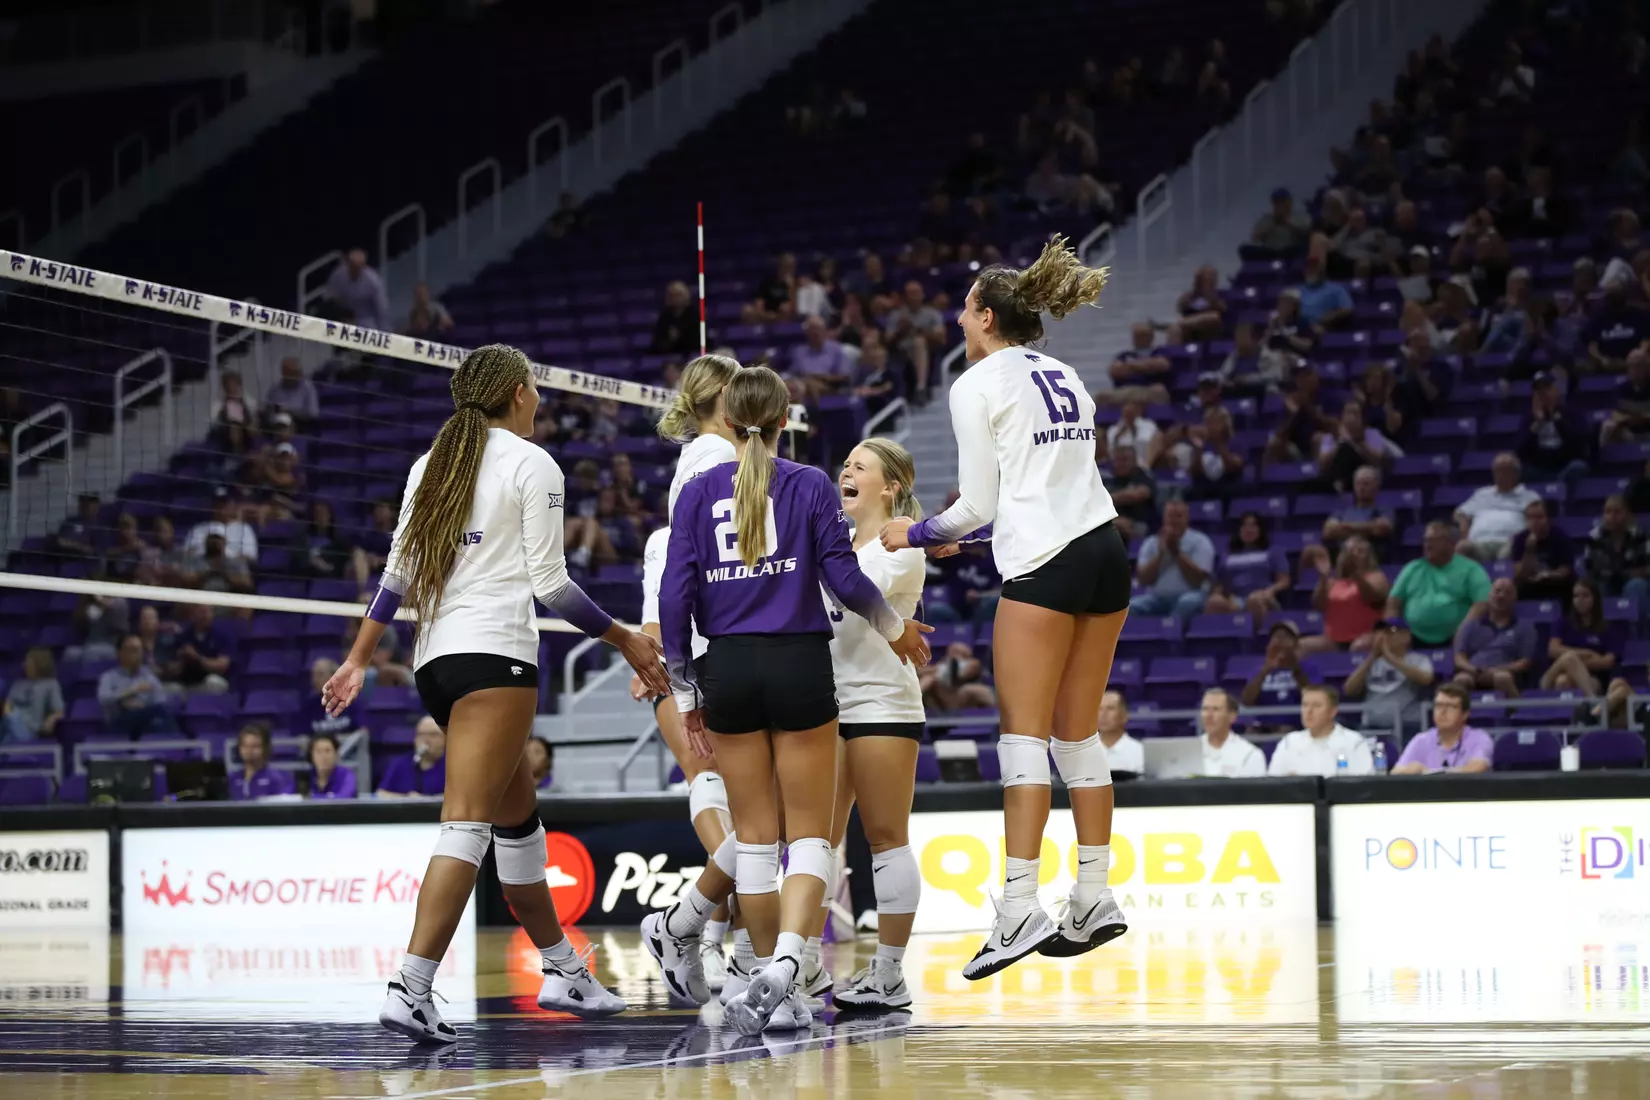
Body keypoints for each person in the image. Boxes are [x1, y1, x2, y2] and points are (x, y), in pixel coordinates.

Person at [321, 344, 669, 1043]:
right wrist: (626, 637)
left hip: (436, 665)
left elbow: (395, 576)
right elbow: (552, 586)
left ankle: (564, 969)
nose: (540, 398)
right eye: (536, 387)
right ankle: (411, 986)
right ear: (516, 392)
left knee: (518, 825)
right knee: (469, 826)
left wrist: (359, 658)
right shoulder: (530, 462)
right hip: (493, 660)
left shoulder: (432, 464)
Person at [881, 236, 1131, 978]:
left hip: (1046, 562)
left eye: (964, 311)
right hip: (1103, 550)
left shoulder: (978, 382)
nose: (957, 322)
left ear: (988, 317)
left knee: (1024, 741)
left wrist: (917, 533)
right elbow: (1031, 489)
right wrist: (965, 532)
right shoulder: (1066, 374)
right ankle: (1092, 895)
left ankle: (1019, 906)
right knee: (1077, 738)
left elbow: (979, 505)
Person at [655, 365, 930, 1036]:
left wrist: (685, 685)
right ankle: (784, 970)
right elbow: (842, 578)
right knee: (810, 835)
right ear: (784, 422)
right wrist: (896, 629)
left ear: (728, 421)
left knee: (754, 838)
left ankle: (756, 975)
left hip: (727, 669)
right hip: (801, 665)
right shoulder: (807, 485)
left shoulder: (696, 491)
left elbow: (673, 596)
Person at [633, 353, 741, 995]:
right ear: (723, 398)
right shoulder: (711, 461)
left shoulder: (699, 474)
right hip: (699, 660)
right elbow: (667, 593)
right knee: (725, 792)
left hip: (709, 653)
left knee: (750, 809)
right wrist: (662, 664)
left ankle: (702, 931)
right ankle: (702, 930)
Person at [818, 440, 929, 1011]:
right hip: (825, 702)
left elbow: (853, 594)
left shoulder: (902, 541)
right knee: (815, 840)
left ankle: (888, 973)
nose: (845, 470)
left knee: (885, 837)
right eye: (845, 463)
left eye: (859, 466)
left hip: (883, 700)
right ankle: (804, 964)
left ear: (889, 487)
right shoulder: (831, 540)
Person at [1386, 522, 1492, 649]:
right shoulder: (1412, 568)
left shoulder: (1471, 569)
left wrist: (1464, 629)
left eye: (1434, 540)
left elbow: (1482, 603)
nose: (1428, 545)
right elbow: (1393, 603)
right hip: (1412, 637)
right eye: (1426, 540)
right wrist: (1395, 631)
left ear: (1451, 543)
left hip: (1456, 637)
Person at [1341, 618, 1435, 736]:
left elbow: (1425, 679)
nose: (1385, 636)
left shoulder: (1418, 660)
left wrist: (1389, 656)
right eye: (1381, 631)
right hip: (1372, 726)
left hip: (1407, 726)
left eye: (1392, 631)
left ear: (1406, 636)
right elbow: (1349, 689)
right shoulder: (1370, 662)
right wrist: (1373, 656)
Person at [1130, 498, 1215, 623]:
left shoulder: (1200, 541)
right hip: (1157, 598)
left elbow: (1197, 581)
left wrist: (1177, 553)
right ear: (1164, 519)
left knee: (1187, 603)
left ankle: (1170, 635)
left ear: (1187, 518)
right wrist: (1160, 555)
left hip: (1191, 594)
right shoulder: (1151, 543)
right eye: (1170, 516)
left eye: (1179, 516)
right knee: (1131, 607)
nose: (1174, 521)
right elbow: (1143, 579)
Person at [1452, 577, 1538, 697]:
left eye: (1507, 592)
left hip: (1506, 673)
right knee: (1460, 680)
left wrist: (1495, 670)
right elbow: (1459, 658)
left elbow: (1524, 662)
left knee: (1502, 678)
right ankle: (1460, 715)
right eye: (1497, 591)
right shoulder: (1471, 625)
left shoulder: (1524, 627)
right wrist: (1474, 670)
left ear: (1514, 598)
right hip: (1474, 672)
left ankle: (1515, 715)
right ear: (1489, 595)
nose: (1501, 596)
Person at [1301, 536, 1388, 654]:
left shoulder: (1376, 577)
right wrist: (1323, 577)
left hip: (1366, 636)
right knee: (1302, 646)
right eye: (1350, 552)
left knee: (1358, 647)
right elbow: (1318, 605)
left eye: (1360, 551)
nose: (1354, 555)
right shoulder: (1332, 582)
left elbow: (1372, 598)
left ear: (1369, 557)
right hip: (1333, 640)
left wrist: (1356, 574)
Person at [1540, 579, 1622, 697]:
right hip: (1553, 675)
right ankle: (1593, 701)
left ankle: (1565, 714)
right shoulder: (1563, 622)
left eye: (1585, 595)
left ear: (1595, 598)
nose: (1580, 600)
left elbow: (1607, 662)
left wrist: (1574, 664)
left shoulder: (1608, 627)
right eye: (1576, 596)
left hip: (1593, 678)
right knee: (1569, 659)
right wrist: (1586, 653)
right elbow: (1553, 650)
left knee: (1563, 680)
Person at [1204, 512, 1291, 623]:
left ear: (1260, 530)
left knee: (1253, 600)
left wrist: (1269, 591)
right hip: (1234, 600)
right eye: (1244, 526)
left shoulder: (1273, 552)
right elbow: (1219, 585)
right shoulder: (1227, 556)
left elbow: (1284, 581)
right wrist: (1225, 598)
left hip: (1263, 596)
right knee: (1213, 602)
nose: (1248, 529)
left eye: (1253, 526)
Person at [1268, 686, 1373, 777]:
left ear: (1332, 711)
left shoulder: (1354, 742)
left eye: (1317, 706)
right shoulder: (1289, 742)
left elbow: (1363, 783)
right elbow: (1273, 783)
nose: (1308, 711)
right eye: (1305, 705)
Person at [1390, 684, 1493, 774]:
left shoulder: (1479, 738)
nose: (1443, 711)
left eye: (1451, 706)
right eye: (1439, 706)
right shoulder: (1421, 740)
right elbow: (1395, 773)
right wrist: (1409, 770)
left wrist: (1427, 773)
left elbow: (1475, 769)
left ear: (1464, 714)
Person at [97, 634, 179, 739]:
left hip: (146, 723)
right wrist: (131, 691)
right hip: (119, 725)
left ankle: (174, 749)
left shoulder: (148, 676)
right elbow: (104, 699)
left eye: (139, 650)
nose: (137, 654)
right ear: (119, 653)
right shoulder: (109, 677)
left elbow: (161, 700)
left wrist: (142, 705)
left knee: (162, 714)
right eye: (132, 649)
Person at [1198, 688, 1266, 777]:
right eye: (1205, 709)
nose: (1209, 715)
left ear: (1232, 716)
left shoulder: (1250, 755)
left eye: (1216, 709)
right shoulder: (1187, 751)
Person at [2, 648, 64, 745]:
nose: (24, 664)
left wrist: (51, 719)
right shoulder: (18, 684)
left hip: (31, 730)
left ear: (39, 664)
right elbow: (7, 707)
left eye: (28, 661)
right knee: (11, 717)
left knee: (14, 716)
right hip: (9, 726)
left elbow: (59, 712)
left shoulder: (50, 684)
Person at [376, 717, 448, 797]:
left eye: (433, 735)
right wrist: (407, 799)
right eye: (421, 735)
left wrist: (424, 800)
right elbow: (381, 794)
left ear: (444, 738)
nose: (426, 740)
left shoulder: (452, 765)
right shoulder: (400, 764)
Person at [229, 722, 296, 799]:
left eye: (255, 746)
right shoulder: (231, 779)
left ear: (266, 748)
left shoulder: (280, 779)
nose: (249, 750)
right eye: (245, 745)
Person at [1095, 690, 1145, 775]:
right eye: (1099, 709)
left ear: (1124, 716)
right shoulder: (1083, 753)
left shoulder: (1140, 752)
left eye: (1110, 708)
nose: (1103, 715)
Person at [305, 732, 357, 799]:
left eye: (327, 751)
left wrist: (312, 799)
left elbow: (344, 799)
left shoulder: (346, 775)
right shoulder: (304, 777)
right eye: (318, 751)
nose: (323, 756)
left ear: (336, 754)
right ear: (311, 755)